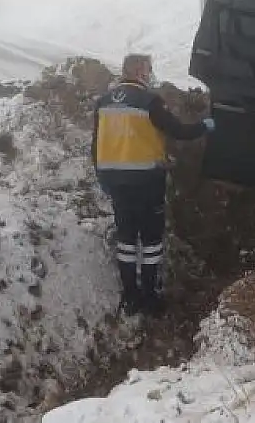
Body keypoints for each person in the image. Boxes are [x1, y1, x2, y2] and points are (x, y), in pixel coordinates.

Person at [91, 54, 214, 318]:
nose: (150, 74)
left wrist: (102, 176)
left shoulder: (102, 103)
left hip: (116, 183)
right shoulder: (149, 101)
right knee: (150, 240)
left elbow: (95, 145)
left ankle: (130, 295)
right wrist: (203, 125)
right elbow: (177, 130)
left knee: (125, 238)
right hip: (146, 181)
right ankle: (149, 296)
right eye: (148, 69)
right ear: (137, 71)